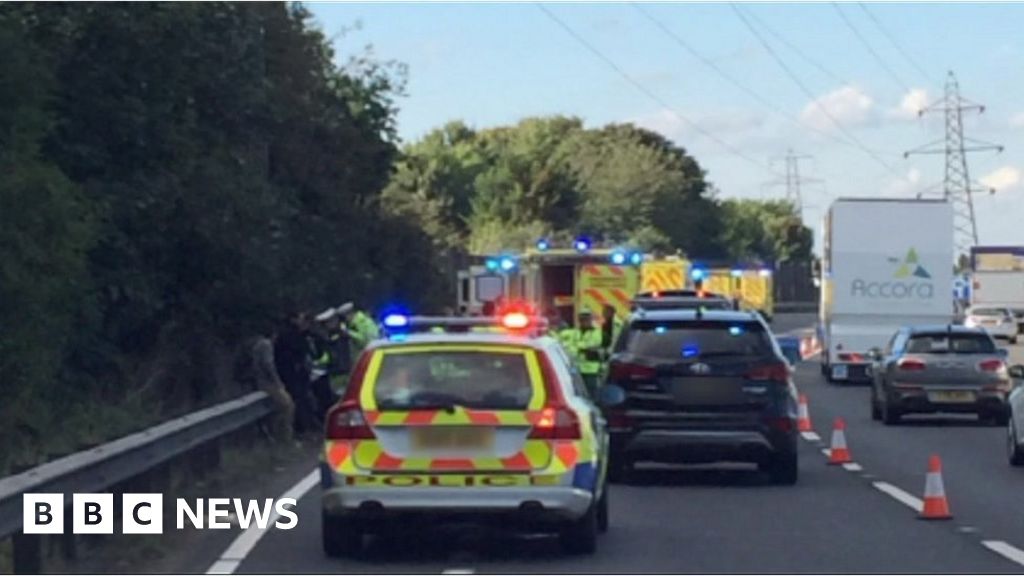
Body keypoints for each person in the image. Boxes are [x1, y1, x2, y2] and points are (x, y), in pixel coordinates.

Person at [248, 323, 294, 444]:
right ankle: (284, 437)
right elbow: (268, 365)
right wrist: (278, 382)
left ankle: (275, 434)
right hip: (268, 383)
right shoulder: (266, 345)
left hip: (260, 381)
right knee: (288, 406)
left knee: (278, 408)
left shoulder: (257, 344)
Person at [274, 311, 317, 437]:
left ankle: (304, 428)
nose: (302, 321)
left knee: (303, 401)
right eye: (300, 318)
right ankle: (300, 430)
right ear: (293, 320)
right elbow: (298, 353)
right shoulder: (289, 335)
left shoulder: (296, 334)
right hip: (293, 375)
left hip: (295, 375)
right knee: (298, 402)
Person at [574, 307, 604, 396]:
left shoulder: (597, 332)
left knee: (591, 393)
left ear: (591, 320)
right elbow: (571, 345)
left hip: (591, 370)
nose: (584, 321)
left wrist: (579, 346)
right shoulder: (576, 332)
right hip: (577, 369)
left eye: (586, 319)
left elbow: (593, 344)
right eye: (582, 319)